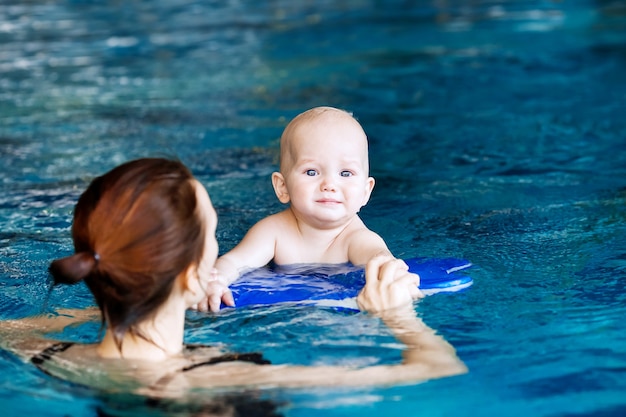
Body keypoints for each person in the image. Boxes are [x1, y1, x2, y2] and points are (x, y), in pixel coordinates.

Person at [0, 158, 465, 397]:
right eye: (214, 235)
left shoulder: (46, 351)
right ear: (191, 274)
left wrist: (145, 300)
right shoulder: (219, 379)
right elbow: (438, 368)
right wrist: (401, 317)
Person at [196, 106, 421, 312]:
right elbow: (234, 263)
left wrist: (395, 278)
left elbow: (381, 260)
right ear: (282, 187)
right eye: (312, 172)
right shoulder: (273, 232)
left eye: (345, 173)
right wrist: (215, 281)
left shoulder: (356, 239)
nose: (329, 185)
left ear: (365, 191)